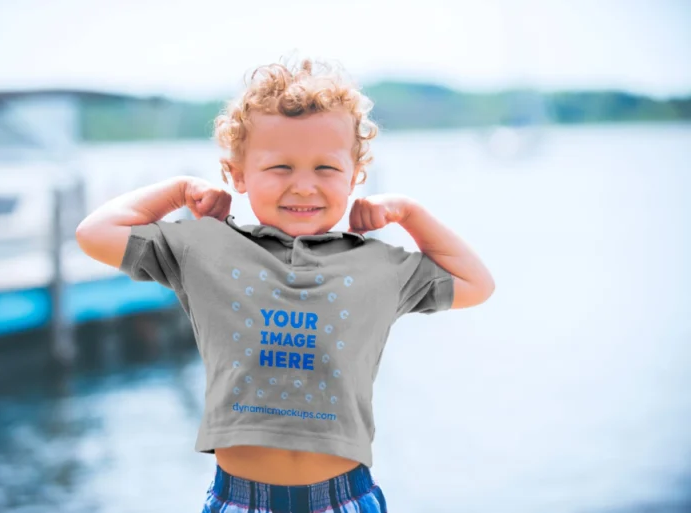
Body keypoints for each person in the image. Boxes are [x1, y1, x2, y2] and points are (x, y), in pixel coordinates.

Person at [76, 56, 495, 513]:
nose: (302, 186)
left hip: (343, 497)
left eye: (325, 169)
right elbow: (94, 234)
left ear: (355, 176)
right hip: (239, 500)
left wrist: (409, 214)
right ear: (237, 174)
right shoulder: (205, 248)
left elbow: (476, 283)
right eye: (280, 168)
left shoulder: (378, 264)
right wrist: (177, 191)